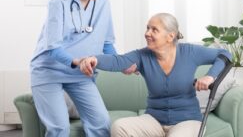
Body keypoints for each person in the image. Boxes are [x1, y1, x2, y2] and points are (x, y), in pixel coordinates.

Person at [30, 0, 135, 137]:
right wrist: (78, 61)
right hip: (49, 72)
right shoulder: (58, 4)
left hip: (81, 75)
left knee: (101, 123)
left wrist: (122, 65)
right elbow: (53, 48)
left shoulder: (103, 2)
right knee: (59, 127)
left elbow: (107, 43)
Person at [79, 13, 232, 137]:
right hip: (154, 120)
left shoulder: (189, 52)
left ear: (170, 36)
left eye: (154, 30)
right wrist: (95, 59)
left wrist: (210, 76)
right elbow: (118, 61)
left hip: (187, 121)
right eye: (147, 28)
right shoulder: (142, 55)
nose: (147, 33)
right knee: (120, 127)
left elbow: (224, 54)